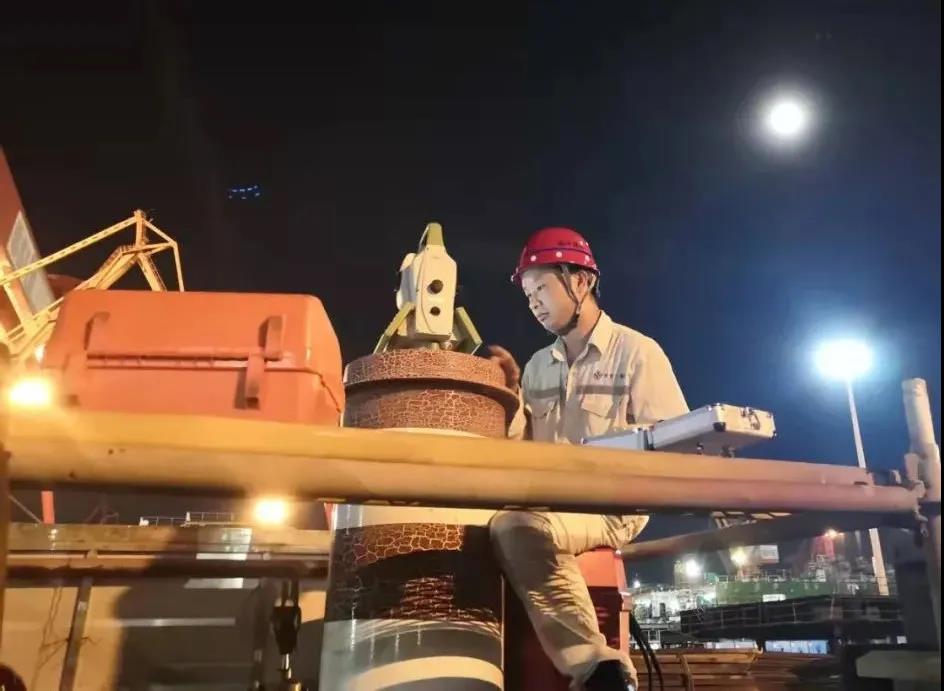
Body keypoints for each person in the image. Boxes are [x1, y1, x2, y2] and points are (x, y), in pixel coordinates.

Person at [488, 227, 689, 691]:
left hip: (614, 506)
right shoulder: (538, 366)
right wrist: (509, 397)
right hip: (552, 502)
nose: (534, 303)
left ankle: (597, 668)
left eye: (542, 288)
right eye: (528, 295)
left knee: (517, 527)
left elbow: (674, 444)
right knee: (496, 523)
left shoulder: (637, 353)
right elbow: (525, 451)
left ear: (580, 281)